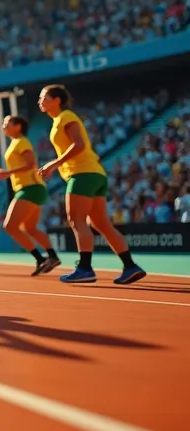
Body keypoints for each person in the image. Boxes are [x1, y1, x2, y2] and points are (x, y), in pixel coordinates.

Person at [36, 85, 145, 285]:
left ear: (56, 100)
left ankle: (85, 268)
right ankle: (130, 266)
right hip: (95, 174)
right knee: (100, 223)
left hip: (82, 174)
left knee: (76, 220)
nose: (39, 101)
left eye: (43, 97)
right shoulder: (59, 121)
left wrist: (54, 163)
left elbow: (79, 145)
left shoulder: (65, 117)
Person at [0, 115, 61, 275]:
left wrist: (9, 173)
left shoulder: (22, 142)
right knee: (30, 228)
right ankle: (51, 257)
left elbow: (31, 164)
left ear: (18, 126)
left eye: (7, 123)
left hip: (30, 188)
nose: (3, 125)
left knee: (10, 226)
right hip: (31, 188)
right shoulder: (15, 143)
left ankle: (40, 258)